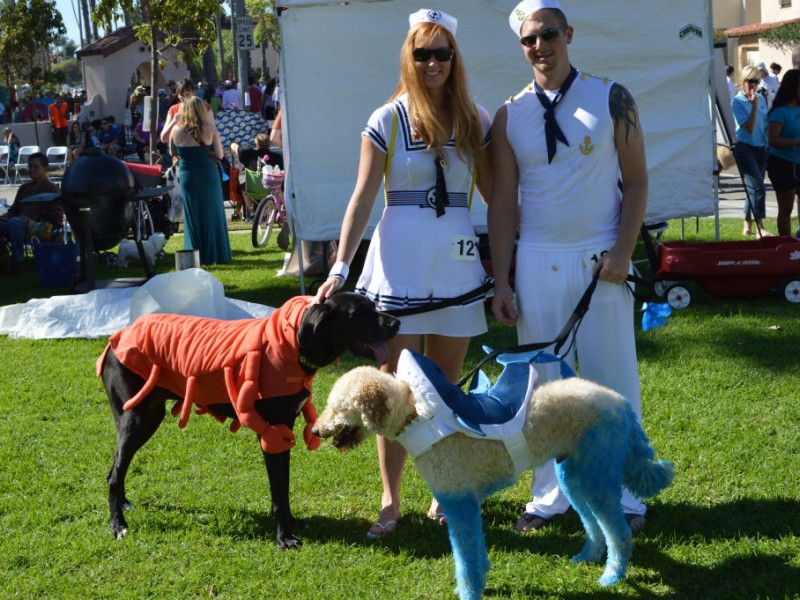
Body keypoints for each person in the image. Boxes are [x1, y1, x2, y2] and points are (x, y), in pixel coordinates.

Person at [314, 8, 492, 539]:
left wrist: (514, 259)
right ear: (408, 58)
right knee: (393, 390)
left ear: (454, 58)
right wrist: (341, 266)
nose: (432, 62)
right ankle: (391, 500)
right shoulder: (385, 119)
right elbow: (363, 197)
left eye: (442, 53)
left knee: (445, 389)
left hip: (457, 267)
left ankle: (446, 489)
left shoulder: (477, 119)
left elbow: (496, 194)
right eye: (422, 53)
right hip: (399, 268)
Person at [490, 0, 649, 533]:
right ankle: (549, 496)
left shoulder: (610, 97)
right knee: (542, 388)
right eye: (530, 39)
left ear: (569, 34)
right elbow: (504, 205)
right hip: (536, 263)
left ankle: (625, 494)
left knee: (611, 381)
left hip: (601, 259)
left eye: (549, 35)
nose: (540, 46)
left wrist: (622, 252)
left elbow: (638, 181)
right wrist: (503, 279)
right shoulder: (510, 113)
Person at [164, 95, 231, 265]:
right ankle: (215, 254)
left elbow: (173, 153)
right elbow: (220, 155)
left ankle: (195, 253)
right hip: (208, 175)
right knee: (213, 213)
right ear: (202, 110)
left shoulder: (176, 130)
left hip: (187, 175)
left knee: (192, 216)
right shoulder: (209, 128)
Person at [0, 152, 62, 273]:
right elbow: (13, 209)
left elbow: (57, 216)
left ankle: (19, 262)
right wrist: (8, 217)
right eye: (30, 166)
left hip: (38, 227)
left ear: (45, 168)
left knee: (15, 223)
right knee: (8, 223)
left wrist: (32, 220)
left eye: (35, 166)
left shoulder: (51, 189)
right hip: (17, 223)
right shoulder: (24, 188)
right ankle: (3, 261)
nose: (32, 169)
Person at [732, 64, 770, 237]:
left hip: (761, 147)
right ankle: (760, 227)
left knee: (753, 189)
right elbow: (748, 127)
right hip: (745, 148)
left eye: (757, 81)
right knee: (758, 188)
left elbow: (765, 123)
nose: (754, 85)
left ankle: (746, 226)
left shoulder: (761, 99)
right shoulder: (737, 101)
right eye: (750, 81)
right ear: (742, 82)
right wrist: (754, 106)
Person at [766, 68, 800, 236]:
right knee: (786, 208)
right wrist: (795, 142)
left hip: (798, 162)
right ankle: (787, 245)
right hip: (782, 164)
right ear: (793, 88)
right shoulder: (780, 112)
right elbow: (773, 140)